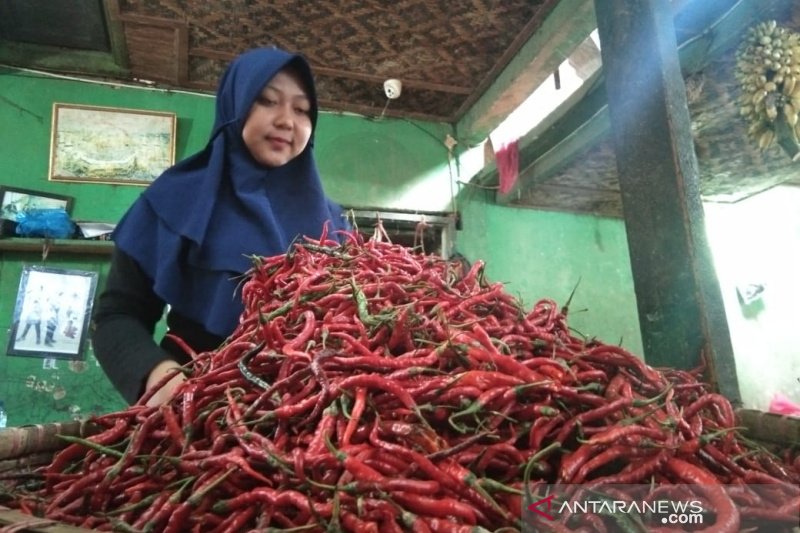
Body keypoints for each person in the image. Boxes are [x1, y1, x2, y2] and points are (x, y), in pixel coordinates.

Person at [92, 47, 350, 406]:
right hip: (198, 409)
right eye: (266, 100)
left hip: (311, 411)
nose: (287, 120)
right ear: (234, 104)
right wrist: (157, 375)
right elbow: (117, 315)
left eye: (302, 109)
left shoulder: (335, 225)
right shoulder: (174, 200)